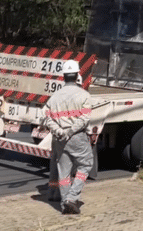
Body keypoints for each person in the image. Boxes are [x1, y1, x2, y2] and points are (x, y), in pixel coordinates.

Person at [42, 59, 94, 215]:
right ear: (77, 75)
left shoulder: (54, 97)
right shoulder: (84, 95)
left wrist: (59, 131)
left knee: (63, 172)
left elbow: (45, 117)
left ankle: (65, 204)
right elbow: (84, 119)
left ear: (63, 76)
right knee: (86, 165)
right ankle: (71, 198)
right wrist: (70, 131)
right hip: (76, 137)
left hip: (59, 138)